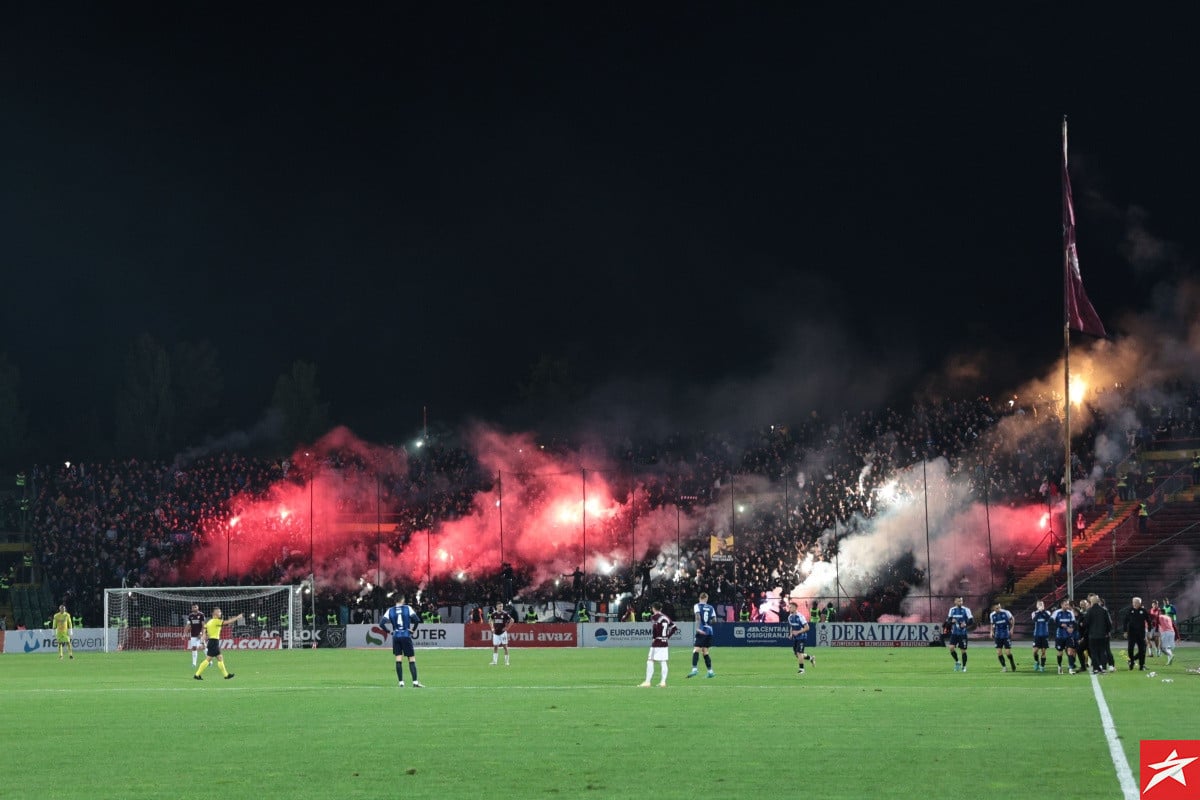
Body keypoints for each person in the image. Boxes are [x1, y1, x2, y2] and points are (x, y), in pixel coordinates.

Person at [379, 595, 422, 687]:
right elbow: (417, 620)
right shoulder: (407, 608)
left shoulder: (390, 610)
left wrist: (389, 632)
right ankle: (415, 682)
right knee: (411, 658)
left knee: (398, 658)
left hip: (396, 635)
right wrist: (413, 630)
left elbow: (381, 624)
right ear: (402, 600)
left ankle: (401, 682)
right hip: (406, 635)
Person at [194, 607, 245, 680]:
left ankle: (226, 675)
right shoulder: (216, 621)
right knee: (209, 659)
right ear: (214, 613)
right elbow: (228, 622)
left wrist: (202, 642)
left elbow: (204, 634)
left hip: (212, 642)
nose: (220, 613)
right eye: (219, 612)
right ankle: (197, 674)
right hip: (214, 642)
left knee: (219, 658)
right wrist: (237, 617)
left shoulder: (209, 622)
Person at [639, 601, 678, 688]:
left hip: (657, 642)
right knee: (663, 661)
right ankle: (663, 682)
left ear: (653, 608)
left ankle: (647, 682)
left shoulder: (654, 617)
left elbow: (655, 628)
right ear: (660, 608)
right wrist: (667, 637)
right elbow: (674, 628)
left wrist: (654, 637)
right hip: (664, 642)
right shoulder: (666, 617)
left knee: (650, 660)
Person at [687, 592, 716, 678]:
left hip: (701, 631)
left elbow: (698, 617)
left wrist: (698, 628)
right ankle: (710, 672)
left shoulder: (697, 606)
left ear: (700, 598)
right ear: (706, 598)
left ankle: (694, 670)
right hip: (709, 631)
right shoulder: (711, 607)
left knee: (696, 650)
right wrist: (707, 624)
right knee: (705, 652)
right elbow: (714, 620)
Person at [945, 596, 974, 672]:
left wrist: (965, 624)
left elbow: (971, 621)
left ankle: (964, 667)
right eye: (959, 601)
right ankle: (957, 662)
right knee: (951, 648)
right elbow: (948, 621)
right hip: (954, 633)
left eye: (961, 601)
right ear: (955, 602)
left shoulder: (966, 610)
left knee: (963, 650)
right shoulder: (952, 610)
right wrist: (951, 622)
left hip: (963, 634)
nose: (960, 602)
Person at [1085, 594, 1112, 674]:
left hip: (1092, 635)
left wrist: (1088, 631)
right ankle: (1103, 668)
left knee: (1094, 652)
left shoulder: (1089, 611)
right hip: (1102, 635)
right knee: (1102, 651)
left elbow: (1086, 623)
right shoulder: (1104, 610)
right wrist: (1107, 632)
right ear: (1098, 601)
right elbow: (1109, 623)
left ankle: (1096, 668)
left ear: (1091, 601)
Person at [786, 602, 815, 674]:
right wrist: (791, 634)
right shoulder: (790, 617)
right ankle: (811, 658)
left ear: (795, 608)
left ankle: (801, 670)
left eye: (791, 607)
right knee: (797, 654)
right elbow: (792, 627)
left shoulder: (800, 616)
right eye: (789, 607)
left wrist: (798, 632)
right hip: (796, 638)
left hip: (802, 637)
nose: (789, 608)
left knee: (799, 653)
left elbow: (807, 628)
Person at [1052, 598, 1079, 675]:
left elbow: (1074, 623)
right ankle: (1059, 666)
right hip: (1060, 636)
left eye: (1068, 604)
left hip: (1069, 636)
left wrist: (1072, 628)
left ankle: (1070, 668)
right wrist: (1060, 625)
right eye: (1065, 604)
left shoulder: (1070, 613)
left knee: (1070, 651)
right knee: (1060, 652)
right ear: (1062, 605)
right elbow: (1051, 621)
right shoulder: (1057, 612)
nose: (1067, 606)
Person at [1124, 597, 1150, 671]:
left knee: (1142, 650)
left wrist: (1149, 631)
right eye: (1133, 602)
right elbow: (1125, 621)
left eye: (1136, 602)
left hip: (1141, 633)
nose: (1134, 604)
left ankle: (1141, 665)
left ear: (1140, 603)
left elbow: (1148, 621)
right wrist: (1125, 631)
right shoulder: (1129, 610)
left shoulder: (1143, 611)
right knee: (1130, 649)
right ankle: (1131, 662)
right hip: (1131, 633)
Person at [990, 602, 1016, 672]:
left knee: (1007, 653)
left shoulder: (1006, 612)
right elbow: (992, 624)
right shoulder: (992, 615)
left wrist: (1012, 628)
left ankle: (1012, 662)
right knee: (999, 652)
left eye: (999, 607)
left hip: (1006, 635)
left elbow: (1012, 619)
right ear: (994, 608)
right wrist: (991, 631)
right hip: (997, 635)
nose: (998, 609)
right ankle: (1004, 667)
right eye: (996, 608)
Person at [1030, 600, 1054, 673]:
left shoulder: (1047, 612)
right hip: (1037, 635)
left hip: (1044, 635)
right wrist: (1039, 612)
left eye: (1042, 604)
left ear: (1044, 605)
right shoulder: (1034, 613)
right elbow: (1034, 620)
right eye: (1039, 604)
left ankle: (1042, 666)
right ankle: (1037, 662)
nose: (1040, 605)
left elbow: (1048, 619)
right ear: (1037, 606)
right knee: (1035, 651)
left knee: (1043, 652)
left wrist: (1042, 611)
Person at [489, 602, 514, 666]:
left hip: (503, 633)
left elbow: (512, 620)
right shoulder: (494, 614)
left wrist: (507, 628)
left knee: (505, 647)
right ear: (496, 606)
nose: (501, 607)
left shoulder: (505, 614)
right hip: (496, 633)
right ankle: (494, 662)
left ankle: (507, 662)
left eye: (502, 606)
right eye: (500, 606)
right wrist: (492, 628)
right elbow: (490, 620)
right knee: (495, 647)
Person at [184, 603, 206, 668]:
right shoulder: (190, 616)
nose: (194, 608)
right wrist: (185, 633)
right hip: (193, 634)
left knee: (203, 647)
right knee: (194, 648)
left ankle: (209, 661)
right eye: (193, 607)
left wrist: (201, 633)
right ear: (192, 608)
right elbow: (188, 625)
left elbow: (203, 625)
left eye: (195, 607)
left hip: (200, 634)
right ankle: (194, 664)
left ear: (198, 607)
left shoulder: (201, 615)